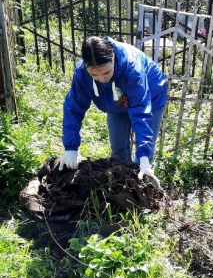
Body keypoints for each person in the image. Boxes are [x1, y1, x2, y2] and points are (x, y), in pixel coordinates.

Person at [60, 36, 167, 183]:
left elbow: (141, 113)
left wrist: (144, 157)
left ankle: (142, 182)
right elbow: (73, 107)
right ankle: (121, 185)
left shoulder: (132, 70)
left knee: (143, 158)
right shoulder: (82, 73)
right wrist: (70, 147)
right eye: (94, 75)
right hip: (115, 99)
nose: (102, 79)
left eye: (106, 72)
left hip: (150, 96)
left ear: (114, 59)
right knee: (118, 150)